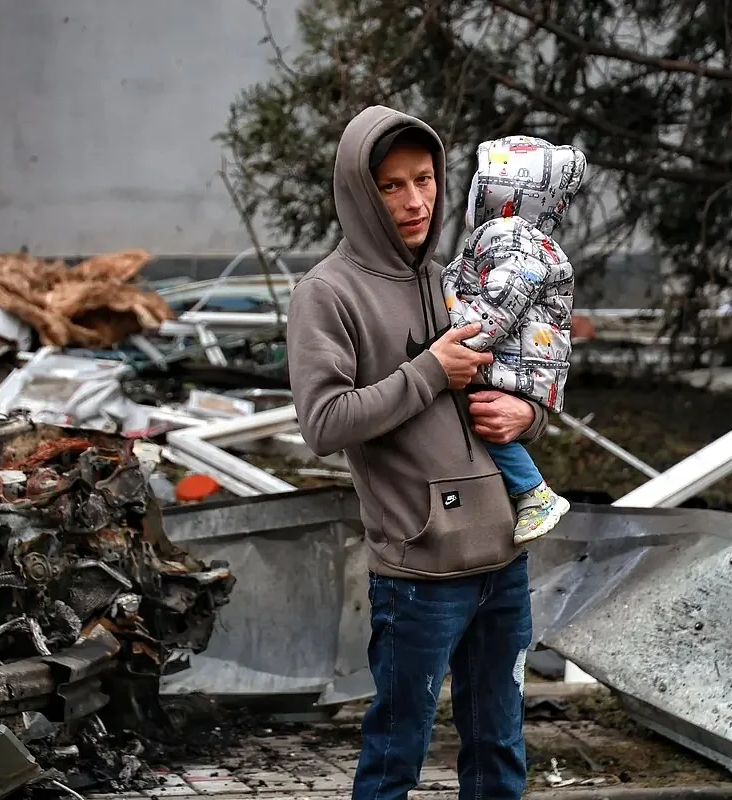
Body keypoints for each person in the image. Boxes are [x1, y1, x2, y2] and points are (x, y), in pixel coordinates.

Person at [286, 105, 549, 800]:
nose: (414, 201)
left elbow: (521, 373)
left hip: (505, 561)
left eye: (425, 180)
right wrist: (429, 371)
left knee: (499, 754)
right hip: (417, 573)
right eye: (392, 186)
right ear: (358, 192)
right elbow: (323, 421)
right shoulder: (327, 293)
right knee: (393, 760)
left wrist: (530, 414)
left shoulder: (459, 275)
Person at [442, 135, 587, 545]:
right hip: (524, 360)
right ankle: (527, 493)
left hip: (510, 359)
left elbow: (503, 300)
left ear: (501, 196)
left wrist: (463, 340)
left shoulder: (508, 236)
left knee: (476, 415)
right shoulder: (518, 238)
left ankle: (534, 493)